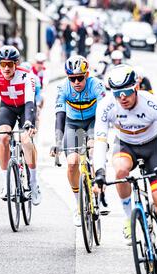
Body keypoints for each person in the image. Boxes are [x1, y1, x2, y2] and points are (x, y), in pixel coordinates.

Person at [93, 64, 157, 274]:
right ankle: (127, 216)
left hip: (154, 148)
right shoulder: (106, 106)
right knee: (121, 170)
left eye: (126, 92)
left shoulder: (152, 104)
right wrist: (99, 172)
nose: (122, 98)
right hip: (125, 146)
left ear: (136, 87)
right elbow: (101, 141)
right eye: (117, 93)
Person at [0, 46, 41, 205]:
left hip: (25, 108)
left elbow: (30, 101)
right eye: (3, 64)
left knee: (26, 140)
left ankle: (34, 183)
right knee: (2, 138)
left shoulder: (27, 75)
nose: (6, 68)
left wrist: (29, 122)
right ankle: (6, 184)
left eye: (10, 64)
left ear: (16, 63)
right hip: (7, 108)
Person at [49, 55, 106, 226]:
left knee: (93, 149)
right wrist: (58, 142)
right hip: (72, 123)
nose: (76, 82)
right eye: (72, 78)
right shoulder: (63, 88)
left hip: (93, 121)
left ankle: (98, 191)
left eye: (80, 78)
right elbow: (60, 115)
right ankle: (78, 205)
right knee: (72, 163)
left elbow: (104, 113)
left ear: (87, 75)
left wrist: (102, 139)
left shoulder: (96, 85)